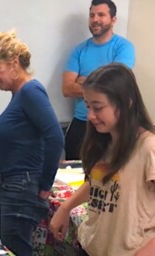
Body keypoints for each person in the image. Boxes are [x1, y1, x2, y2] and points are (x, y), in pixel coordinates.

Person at [50, 63, 155, 256]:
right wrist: (65, 207)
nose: (91, 116)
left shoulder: (148, 147)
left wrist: (152, 250)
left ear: (127, 102)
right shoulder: (107, 141)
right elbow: (96, 181)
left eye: (98, 107)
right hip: (94, 253)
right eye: (87, 106)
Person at [0, 30, 64, 256]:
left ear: (14, 63)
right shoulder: (19, 94)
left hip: (22, 186)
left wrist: (45, 185)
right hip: (13, 184)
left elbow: (55, 137)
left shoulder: (30, 92)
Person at [62, 0, 135, 160]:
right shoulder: (79, 50)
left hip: (112, 125)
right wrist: (98, 84)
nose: (95, 19)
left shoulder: (124, 47)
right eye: (92, 15)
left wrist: (83, 82)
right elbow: (67, 89)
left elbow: (115, 84)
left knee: (108, 178)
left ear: (113, 20)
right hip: (81, 123)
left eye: (101, 15)